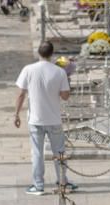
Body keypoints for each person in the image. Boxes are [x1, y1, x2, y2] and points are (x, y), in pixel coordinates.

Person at [14, 41, 77, 195]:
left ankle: (38, 185)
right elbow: (65, 96)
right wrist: (67, 78)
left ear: (38, 53)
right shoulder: (59, 72)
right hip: (54, 118)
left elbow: (21, 94)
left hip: (35, 119)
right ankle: (62, 181)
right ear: (52, 53)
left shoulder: (28, 69)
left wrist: (16, 113)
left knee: (37, 153)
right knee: (59, 151)